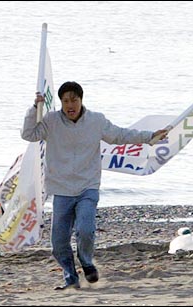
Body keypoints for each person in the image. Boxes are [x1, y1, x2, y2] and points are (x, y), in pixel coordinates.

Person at [21, 81, 168, 290]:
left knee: (86, 229)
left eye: (74, 100)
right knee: (59, 243)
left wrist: (149, 137)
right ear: (61, 103)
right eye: (65, 101)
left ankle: (87, 262)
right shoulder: (51, 120)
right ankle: (71, 278)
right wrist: (35, 109)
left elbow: (120, 135)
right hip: (61, 189)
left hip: (87, 187)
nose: (70, 105)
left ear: (81, 100)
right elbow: (28, 134)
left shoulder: (96, 121)